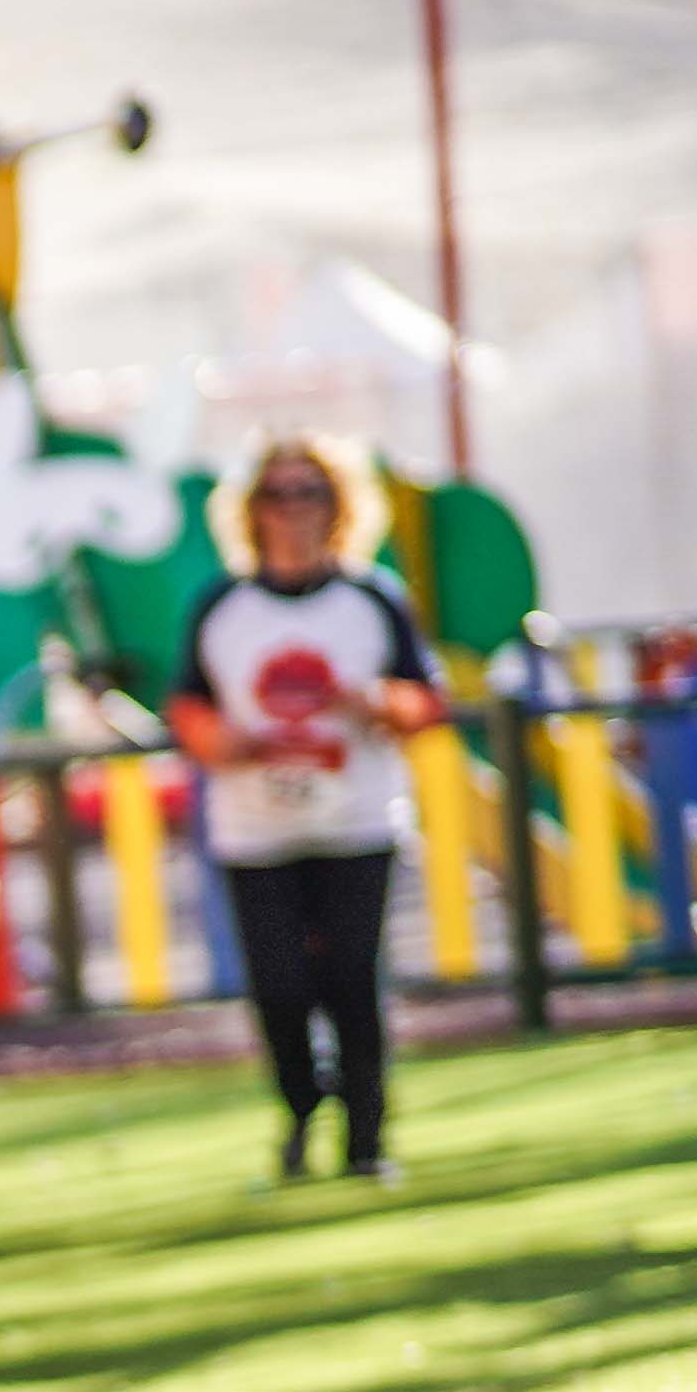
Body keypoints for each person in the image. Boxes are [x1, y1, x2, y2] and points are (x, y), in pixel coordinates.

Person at [160, 433, 445, 1187]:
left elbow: (425, 702)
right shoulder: (222, 606)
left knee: (355, 979)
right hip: (256, 829)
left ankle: (367, 1138)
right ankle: (300, 1103)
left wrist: (376, 702)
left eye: (308, 493)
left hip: (356, 819)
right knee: (279, 988)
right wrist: (217, 740)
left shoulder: (372, 598)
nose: (292, 512)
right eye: (275, 495)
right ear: (251, 512)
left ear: (338, 505)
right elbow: (186, 705)